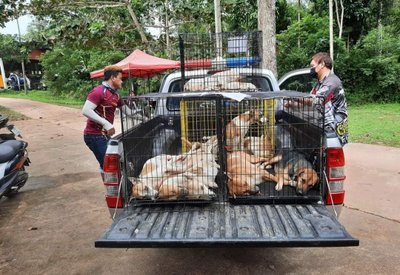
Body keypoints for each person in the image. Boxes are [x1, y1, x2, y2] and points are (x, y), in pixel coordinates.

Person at [286, 52, 348, 145]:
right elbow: (307, 102)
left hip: (332, 129)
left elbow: (314, 100)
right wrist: (291, 105)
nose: (311, 69)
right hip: (322, 125)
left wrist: (293, 97)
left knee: (328, 157)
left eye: (313, 66)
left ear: (322, 64)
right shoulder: (319, 83)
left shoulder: (332, 82)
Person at [82, 65, 124, 174]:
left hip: (105, 135)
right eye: (120, 78)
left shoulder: (116, 95)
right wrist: (106, 123)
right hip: (94, 135)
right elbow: (86, 110)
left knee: (113, 162)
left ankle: (113, 187)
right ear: (113, 78)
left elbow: (127, 111)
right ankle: (111, 190)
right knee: (109, 165)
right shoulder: (99, 92)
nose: (122, 81)